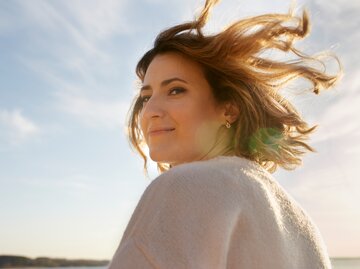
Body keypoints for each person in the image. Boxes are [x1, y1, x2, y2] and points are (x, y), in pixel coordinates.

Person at [108, 0, 342, 268]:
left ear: (228, 109)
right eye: (146, 96)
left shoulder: (179, 188)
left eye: (175, 90)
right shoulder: (301, 225)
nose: (150, 111)